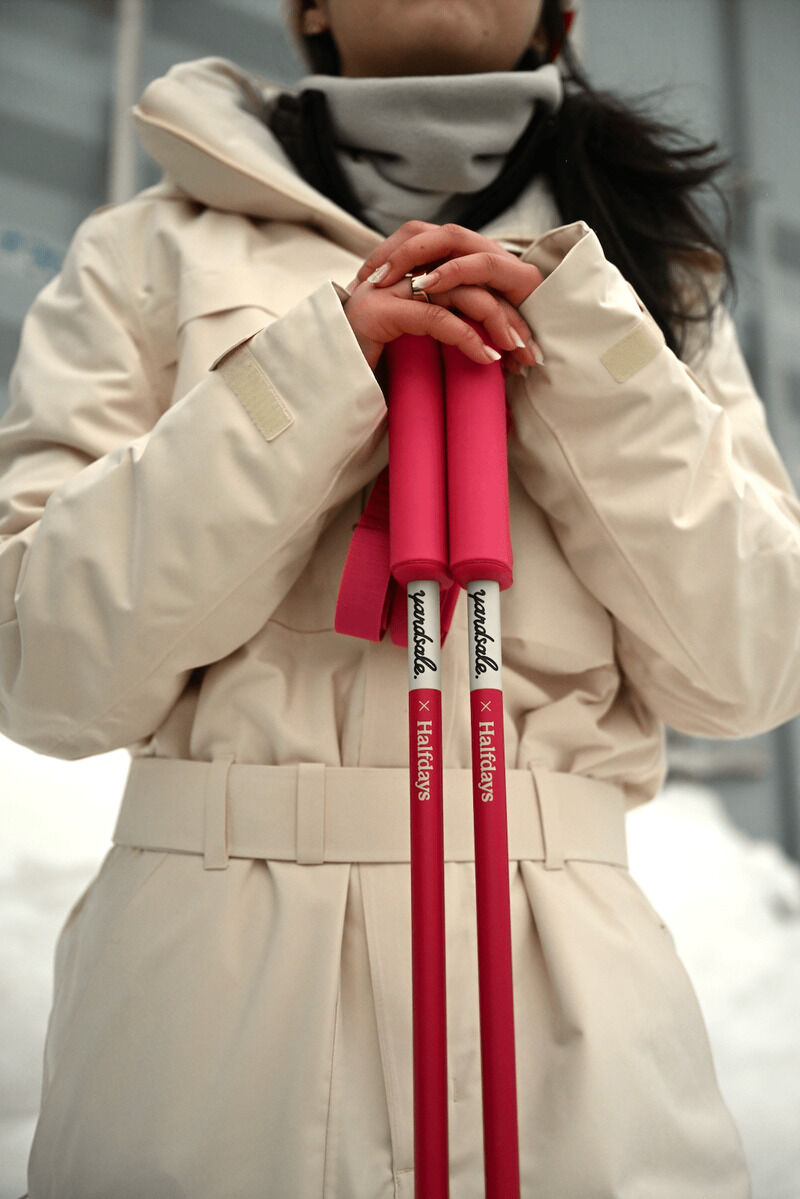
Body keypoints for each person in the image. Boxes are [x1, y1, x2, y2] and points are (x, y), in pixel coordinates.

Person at [2, 0, 797, 1194]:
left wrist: (580, 353)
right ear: (307, 6)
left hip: (565, 985)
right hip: (206, 990)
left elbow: (751, 666)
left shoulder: (642, 265)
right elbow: (44, 667)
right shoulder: (145, 247)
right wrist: (306, 379)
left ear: (559, 11)